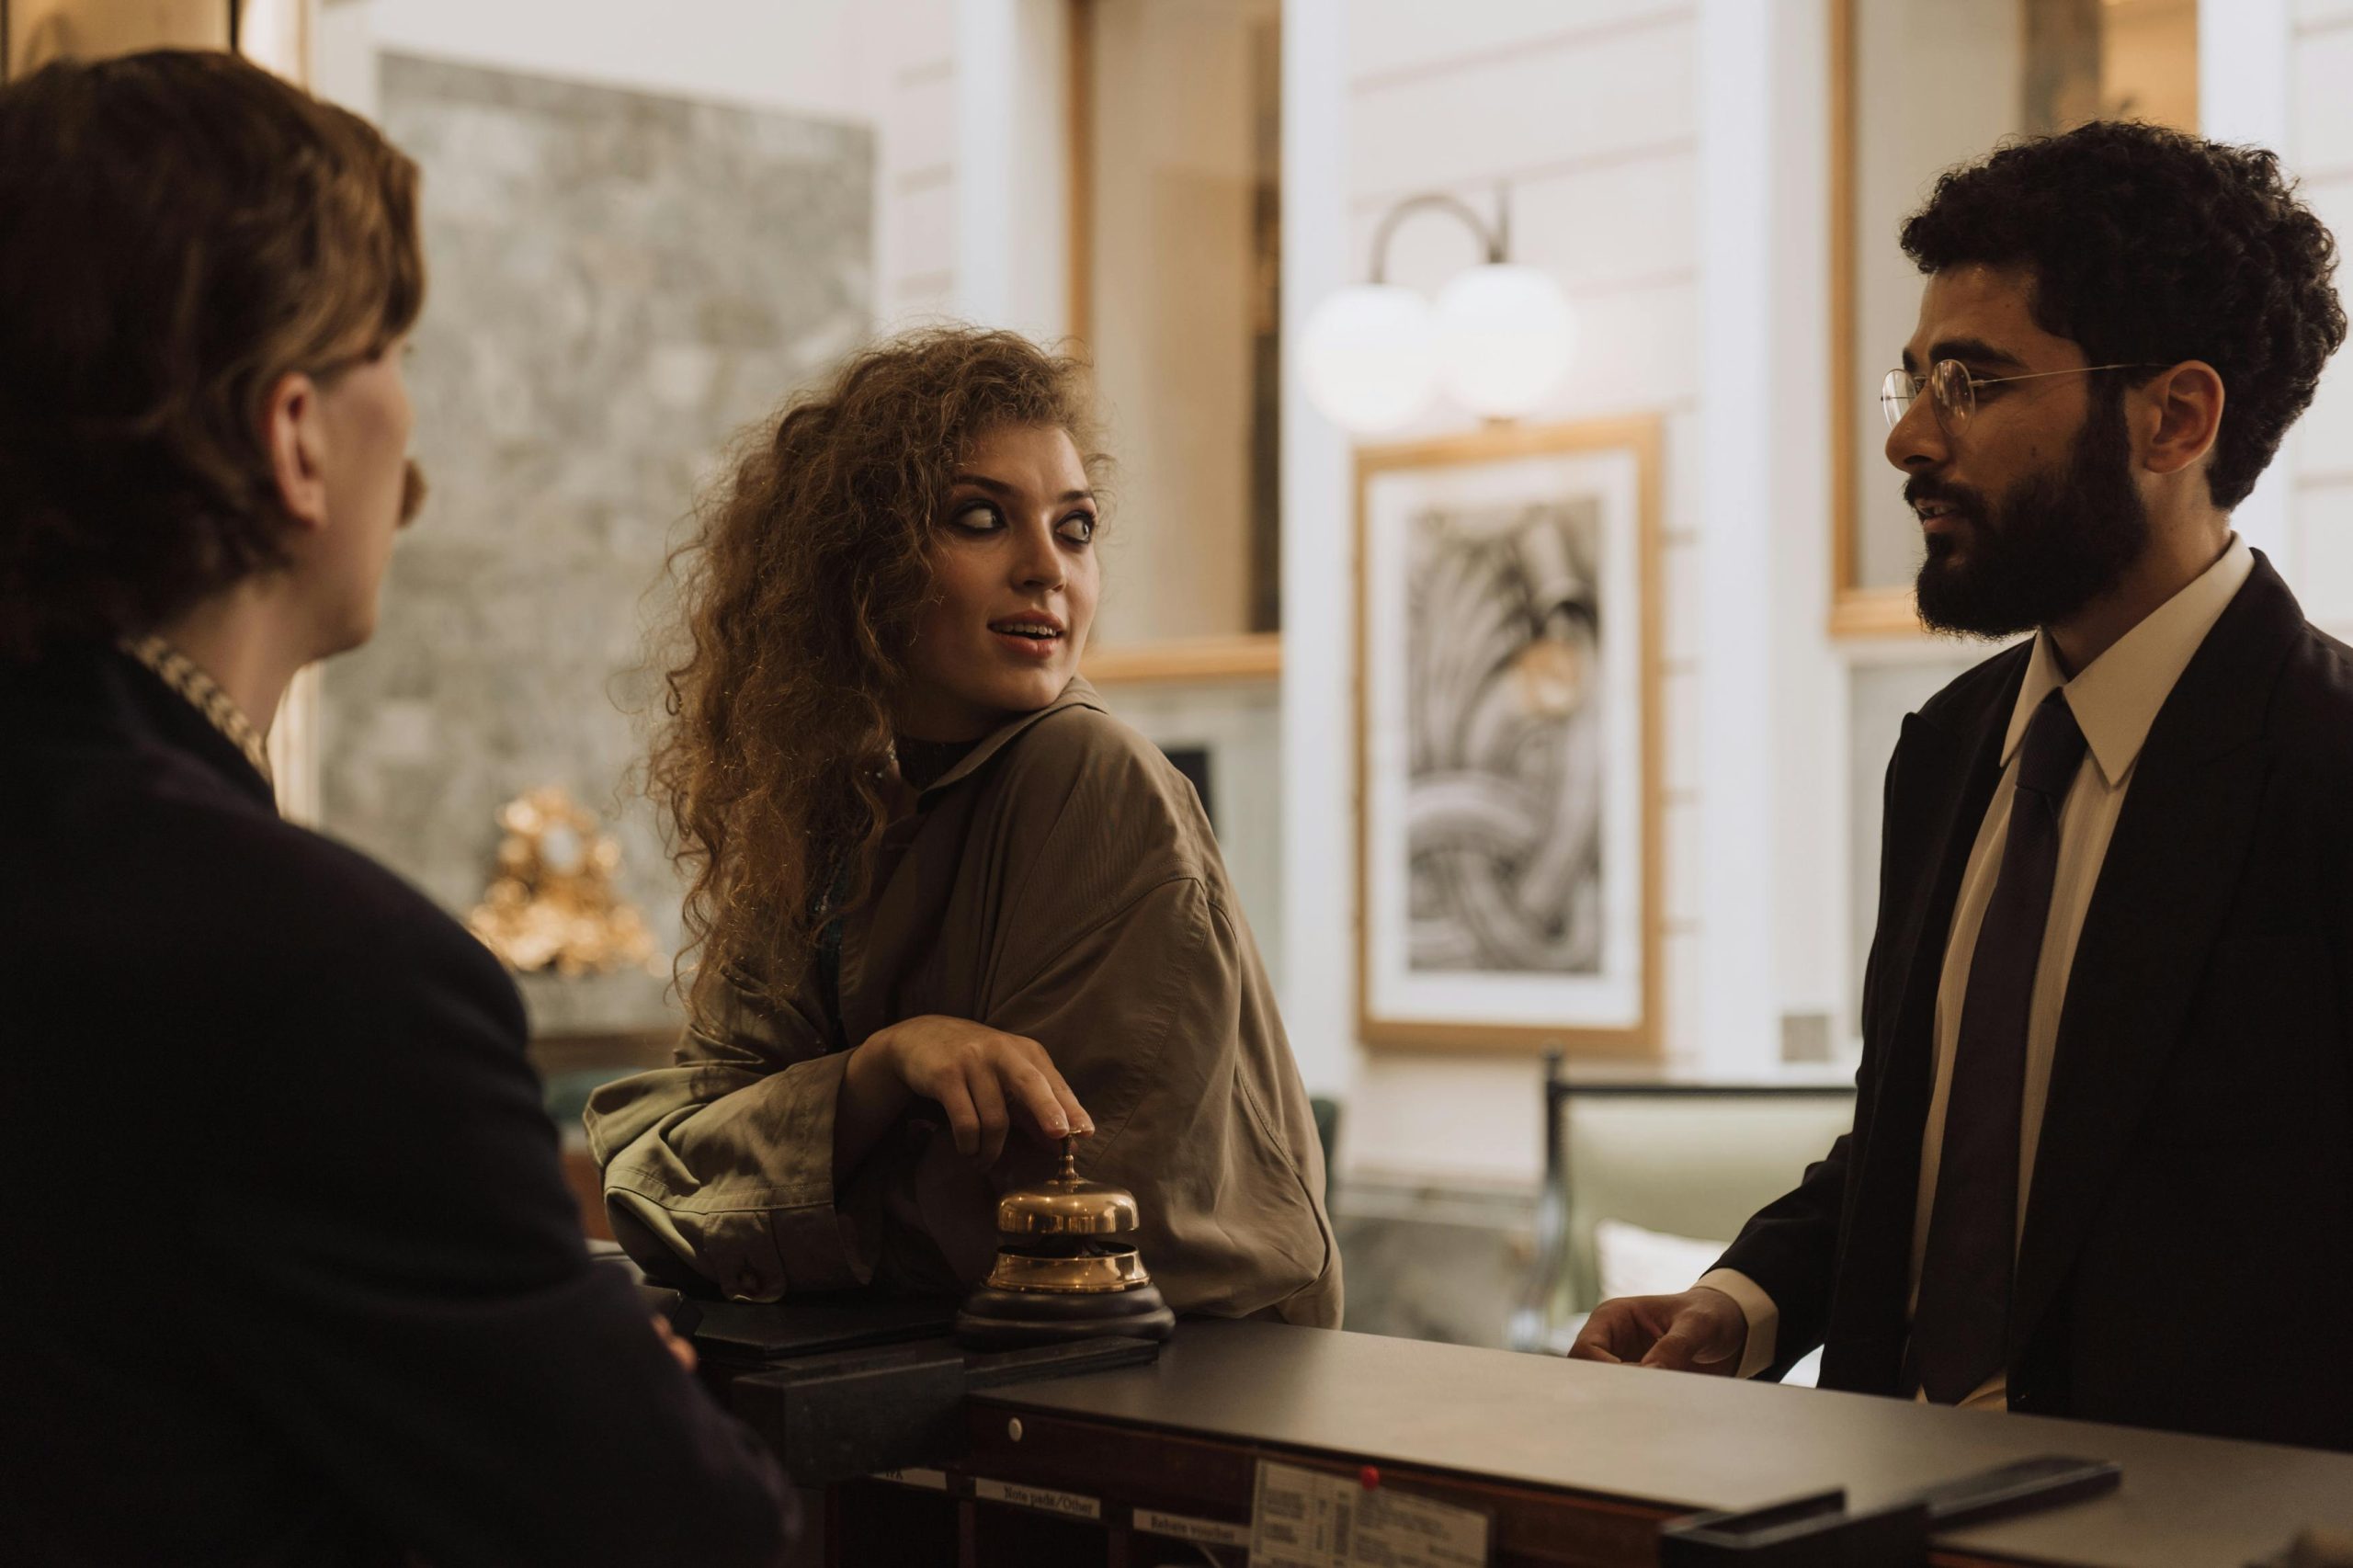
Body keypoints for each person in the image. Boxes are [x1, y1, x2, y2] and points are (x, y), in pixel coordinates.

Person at [0, 51, 791, 1563]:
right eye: (397, 348)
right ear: (293, 432)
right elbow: (683, 1533)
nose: (409, 430)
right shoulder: (315, 974)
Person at [1572, 120, 2353, 1450]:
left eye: (1975, 385)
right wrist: (1750, 1297)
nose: (1911, 441)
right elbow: (1929, 1134)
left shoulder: (2327, 773)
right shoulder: (1947, 747)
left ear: (2176, 417)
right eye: (1914, 383)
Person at [585, 328, 1341, 1325]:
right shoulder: (832, 806)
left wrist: (772, 1174)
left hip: (1168, 1417)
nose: (1046, 570)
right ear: (859, 565)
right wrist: (881, 1068)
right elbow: (647, 1164)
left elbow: (1055, 1228)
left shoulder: (1088, 775)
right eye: (981, 519)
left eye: (1075, 529)